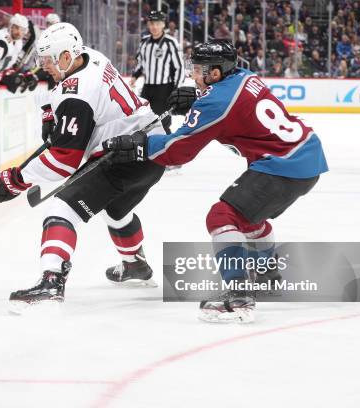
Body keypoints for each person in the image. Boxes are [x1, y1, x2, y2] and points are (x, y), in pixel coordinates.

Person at [103, 39, 328, 324]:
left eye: (198, 70)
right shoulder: (247, 77)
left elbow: (177, 151)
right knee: (248, 219)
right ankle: (268, 274)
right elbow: (233, 111)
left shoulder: (215, 101)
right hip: (306, 154)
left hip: (285, 165)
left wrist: (139, 145)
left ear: (216, 73)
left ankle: (238, 296)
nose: (194, 75)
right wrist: (197, 100)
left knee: (222, 216)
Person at [0, 23, 165, 313]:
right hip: (153, 149)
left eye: (48, 60)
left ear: (66, 57)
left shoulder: (77, 96)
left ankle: (51, 282)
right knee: (116, 209)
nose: (44, 67)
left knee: (61, 210)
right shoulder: (90, 56)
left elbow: (63, 161)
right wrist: (49, 112)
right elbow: (62, 92)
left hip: (123, 156)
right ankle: (135, 265)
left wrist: (17, 179)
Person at [130, 10, 184, 134]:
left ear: (163, 25)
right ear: (148, 25)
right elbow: (140, 62)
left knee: (163, 120)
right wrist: (134, 76)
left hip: (165, 89)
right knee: (143, 118)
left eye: (157, 23)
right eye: (152, 23)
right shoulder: (144, 41)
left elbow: (179, 67)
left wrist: (176, 89)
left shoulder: (171, 43)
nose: (154, 27)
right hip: (147, 88)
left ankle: (166, 147)